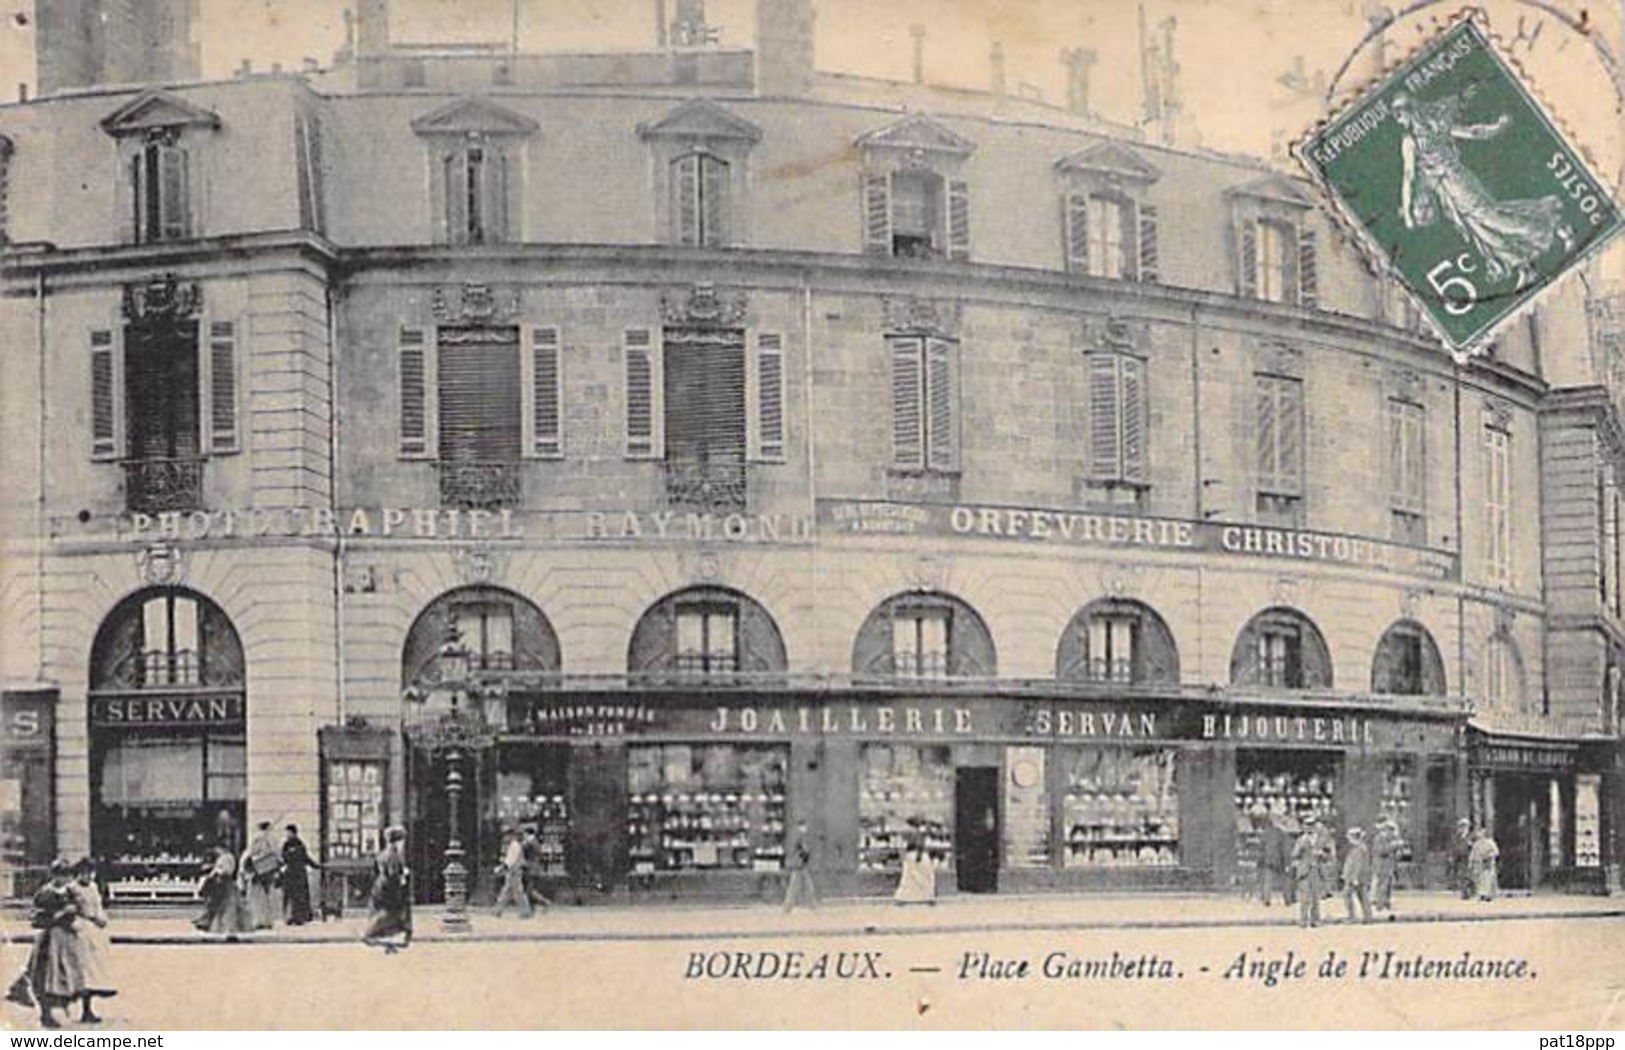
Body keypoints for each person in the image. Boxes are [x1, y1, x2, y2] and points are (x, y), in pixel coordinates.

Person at [1392, 89, 1570, 289]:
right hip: (1447, 193)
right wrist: (1408, 211)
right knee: (1479, 230)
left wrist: (1497, 128)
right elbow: (1410, 176)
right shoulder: (1410, 140)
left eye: (1399, 112)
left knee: (1491, 218)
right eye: (1395, 114)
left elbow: (1471, 132)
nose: (1398, 118)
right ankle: (1523, 266)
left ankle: (1552, 225)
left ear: (1411, 109)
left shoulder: (1433, 127)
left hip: (1459, 182)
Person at [26, 860, 81, 1028]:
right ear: (53, 875)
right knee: (45, 976)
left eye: (66, 875)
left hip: (65, 939)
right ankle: (45, 1013)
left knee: (65, 975)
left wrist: (73, 915)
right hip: (48, 939)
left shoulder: (70, 892)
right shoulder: (45, 893)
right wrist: (57, 915)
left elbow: (77, 909)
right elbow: (34, 917)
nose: (63, 879)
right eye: (60, 875)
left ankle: (61, 1007)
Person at [68, 859, 116, 1022]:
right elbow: (70, 909)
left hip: (95, 931)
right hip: (80, 930)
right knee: (83, 970)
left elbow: (98, 907)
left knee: (95, 969)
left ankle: (89, 1007)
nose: (87, 876)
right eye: (83, 872)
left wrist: (102, 918)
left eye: (90, 872)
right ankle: (83, 1008)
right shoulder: (72, 889)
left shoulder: (94, 887)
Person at [363, 826, 412, 952]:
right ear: (397, 841)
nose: (403, 844)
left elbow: (375, 870)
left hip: (381, 886)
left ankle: (388, 941)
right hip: (389, 888)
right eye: (402, 840)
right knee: (389, 913)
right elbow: (393, 874)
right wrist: (404, 875)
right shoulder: (393, 854)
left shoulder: (383, 853)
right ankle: (371, 935)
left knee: (388, 913)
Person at [193, 845, 251, 934]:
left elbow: (225, 870)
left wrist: (215, 873)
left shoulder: (225, 858)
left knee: (221, 905)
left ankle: (216, 924)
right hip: (226, 884)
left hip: (224, 884)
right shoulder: (228, 857)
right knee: (225, 906)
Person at [242, 820, 283, 930]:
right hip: (268, 870)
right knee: (268, 897)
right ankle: (268, 921)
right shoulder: (273, 840)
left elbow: (250, 854)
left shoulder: (256, 839)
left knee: (257, 897)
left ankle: (259, 921)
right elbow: (278, 856)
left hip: (258, 871)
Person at [281, 824, 320, 926]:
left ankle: (300, 917)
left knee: (300, 896)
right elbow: (282, 858)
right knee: (289, 896)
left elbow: (305, 857)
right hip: (290, 873)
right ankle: (290, 917)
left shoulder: (299, 844)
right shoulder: (286, 845)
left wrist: (315, 865)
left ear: (294, 833)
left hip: (299, 873)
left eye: (289, 832)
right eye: (287, 833)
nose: (287, 835)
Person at [1290, 816, 1323, 928]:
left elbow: (1329, 852)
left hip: (1316, 870)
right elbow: (1294, 854)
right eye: (1307, 825)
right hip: (1305, 871)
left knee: (1315, 897)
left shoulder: (1321, 839)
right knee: (1304, 898)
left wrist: (1321, 854)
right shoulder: (1301, 840)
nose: (1309, 828)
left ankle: (1315, 920)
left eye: (1311, 826)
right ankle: (1303, 920)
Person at [493, 829, 533, 918]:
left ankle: (525, 911)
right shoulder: (514, 845)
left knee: (516, 892)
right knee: (508, 891)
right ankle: (498, 910)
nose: (505, 838)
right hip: (514, 871)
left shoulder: (514, 846)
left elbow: (511, 860)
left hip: (514, 871)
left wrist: (501, 868)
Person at [893, 829, 936, 905]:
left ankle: (907, 897)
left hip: (907, 896)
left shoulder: (909, 857)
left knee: (908, 878)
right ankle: (925, 896)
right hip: (927, 895)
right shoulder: (926, 857)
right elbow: (930, 877)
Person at [782, 822, 817, 912]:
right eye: (805, 827)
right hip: (799, 865)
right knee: (796, 887)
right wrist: (806, 856)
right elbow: (805, 850)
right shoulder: (800, 836)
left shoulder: (792, 836)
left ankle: (812, 905)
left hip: (797, 865)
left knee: (806, 885)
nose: (806, 829)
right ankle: (788, 907)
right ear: (801, 826)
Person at [1256, 810, 1288, 907]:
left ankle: (1266, 899)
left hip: (1268, 860)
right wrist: (1286, 862)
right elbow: (1284, 849)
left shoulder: (1265, 834)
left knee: (1267, 881)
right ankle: (1287, 898)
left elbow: (1261, 848)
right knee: (1284, 881)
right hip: (1278, 860)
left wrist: (1260, 861)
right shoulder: (1281, 833)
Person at [1341, 828, 1373, 924]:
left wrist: (1354, 878)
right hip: (1358, 878)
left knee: (1347, 895)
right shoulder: (1360, 848)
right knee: (1363, 897)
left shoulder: (1359, 849)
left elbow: (1357, 865)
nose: (1348, 839)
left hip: (1355, 878)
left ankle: (1352, 917)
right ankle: (1367, 917)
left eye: (1350, 837)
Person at [1371, 816, 1400, 913]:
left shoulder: (1389, 839)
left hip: (1388, 865)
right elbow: (1381, 851)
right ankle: (1380, 904)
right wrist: (1393, 846)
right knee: (1382, 884)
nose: (1392, 833)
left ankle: (1386, 902)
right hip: (1381, 864)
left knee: (1388, 885)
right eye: (1390, 830)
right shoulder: (1379, 838)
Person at [520, 827, 552, 909]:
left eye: (524, 834)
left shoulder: (531, 843)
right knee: (528, 890)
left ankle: (544, 902)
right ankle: (534, 906)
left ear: (527, 834)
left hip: (531, 869)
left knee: (529, 890)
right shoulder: (535, 843)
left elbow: (526, 852)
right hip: (533, 868)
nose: (523, 836)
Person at [1469, 826, 1501, 902]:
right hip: (1479, 863)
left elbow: (1496, 852)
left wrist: (1489, 855)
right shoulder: (1476, 844)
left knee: (1488, 878)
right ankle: (1481, 894)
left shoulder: (1490, 842)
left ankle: (1488, 894)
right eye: (1478, 832)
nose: (1479, 834)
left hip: (1488, 863)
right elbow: (1472, 854)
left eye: (1481, 832)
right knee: (1479, 879)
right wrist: (1471, 862)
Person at [1451, 818, 1475, 900]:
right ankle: (1464, 892)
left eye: (1464, 826)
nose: (1462, 828)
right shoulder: (1456, 837)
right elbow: (1454, 847)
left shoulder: (1472, 836)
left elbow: (1476, 847)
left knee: (1468, 876)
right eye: (1461, 826)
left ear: (1468, 827)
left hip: (1469, 858)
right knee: (1462, 875)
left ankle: (1469, 892)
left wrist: (1471, 845)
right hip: (1459, 858)